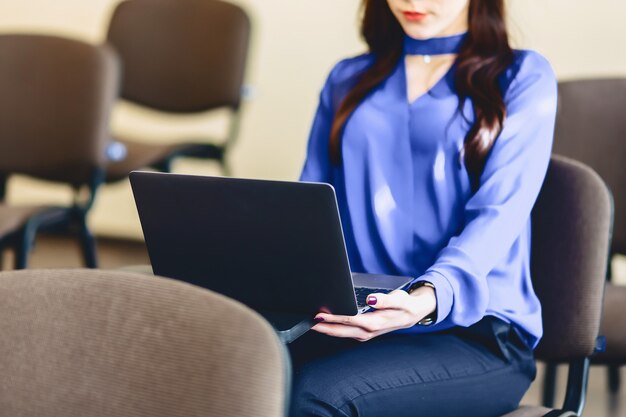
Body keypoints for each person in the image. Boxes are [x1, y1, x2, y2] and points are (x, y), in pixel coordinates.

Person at [291, 0, 557, 416]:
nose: (414, 2)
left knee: (314, 393)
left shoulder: (523, 76)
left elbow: (498, 214)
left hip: (477, 335)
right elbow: (307, 209)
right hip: (361, 317)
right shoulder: (347, 77)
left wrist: (426, 297)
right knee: (227, 360)